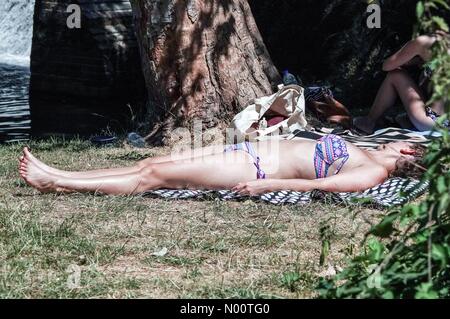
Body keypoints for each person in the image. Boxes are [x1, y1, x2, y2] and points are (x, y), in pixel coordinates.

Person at [18, 134, 425, 196]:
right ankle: (61, 177)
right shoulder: (366, 149)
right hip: (249, 150)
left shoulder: (376, 171)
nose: (405, 138)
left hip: (253, 171)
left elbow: (324, 188)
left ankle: (57, 181)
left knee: (153, 177)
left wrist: (271, 186)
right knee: (151, 161)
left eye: (411, 142)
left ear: (408, 154)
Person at [353, 31, 449, 134]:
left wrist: (412, 59)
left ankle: (369, 121)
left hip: (435, 123)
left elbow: (386, 66)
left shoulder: (426, 41)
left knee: (395, 74)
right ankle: (406, 119)